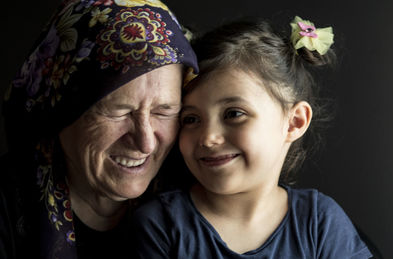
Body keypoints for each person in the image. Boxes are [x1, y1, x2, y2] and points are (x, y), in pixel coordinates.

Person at [130, 17, 373, 258]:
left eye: (234, 114)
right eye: (191, 119)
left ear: (294, 122)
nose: (208, 138)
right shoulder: (160, 227)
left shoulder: (320, 223)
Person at [0, 0, 198, 258]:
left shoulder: (194, 199)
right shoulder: (6, 206)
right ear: (60, 110)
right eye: (119, 112)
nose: (146, 142)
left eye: (164, 111)